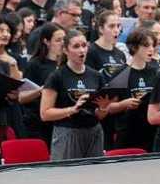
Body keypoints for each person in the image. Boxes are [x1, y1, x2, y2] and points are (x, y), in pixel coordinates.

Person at [40, 29, 121, 161]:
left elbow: (100, 115)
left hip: (93, 131)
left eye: (84, 46)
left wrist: (103, 108)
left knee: (93, 175)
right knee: (68, 175)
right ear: (66, 50)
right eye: (76, 47)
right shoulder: (57, 76)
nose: (82, 50)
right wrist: (72, 109)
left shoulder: (96, 75)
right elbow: (45, 114)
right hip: (68, 132)